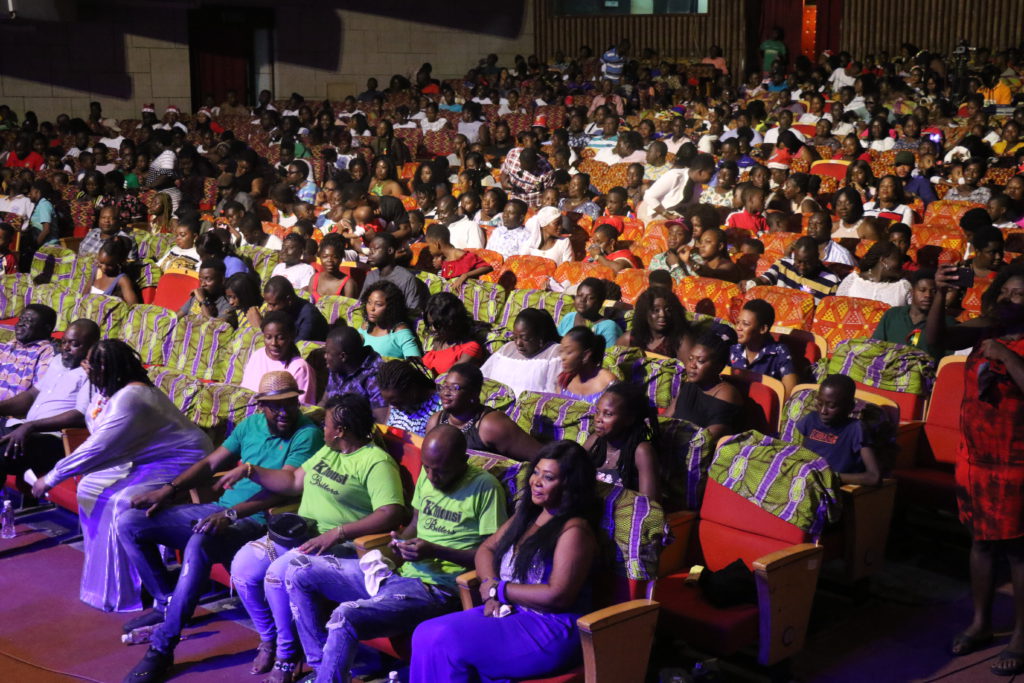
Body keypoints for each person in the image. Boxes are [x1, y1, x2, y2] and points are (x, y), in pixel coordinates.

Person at [119, 372, 323, 683]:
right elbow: (210, 464)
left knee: (199, 542)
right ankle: (167, 603)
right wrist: (169, 490)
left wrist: (231, 513)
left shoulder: (306, 434)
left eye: (290, 403)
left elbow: (285, 489)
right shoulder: (250, 425)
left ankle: (162, 647)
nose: (284, 412)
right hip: (219, 510)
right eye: (275, 406)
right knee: (131, 522)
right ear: (261, 406)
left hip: (258, 520)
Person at [285, 424, 507, 683]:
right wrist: (399, 541)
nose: (432, 476)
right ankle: (321, 668)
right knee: (299, 570)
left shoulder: (485, 488)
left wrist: (435, 551)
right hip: (398, 573)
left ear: (463, 460)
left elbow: (491, 554)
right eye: (427, 467)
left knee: (345, 615)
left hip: (436, 590)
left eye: (440, 470)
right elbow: (415, 523)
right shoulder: (429, 473)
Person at [224, 393, 406, 683]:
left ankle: (287, 654)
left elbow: (391, 512)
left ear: (340, 430)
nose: (323, 428)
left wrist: (339, 532)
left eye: (326, 424)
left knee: (275, 575)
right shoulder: (329, 451)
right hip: (300, 533)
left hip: (336, 547)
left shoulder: (376, 461)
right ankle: (271, 639)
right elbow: (294, 480)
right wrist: (250, 470)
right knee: (243, 567)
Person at [31, 340, 210, 612]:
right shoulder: (109, 391)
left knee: (122, 501)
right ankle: (108, 580)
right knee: (90, 486)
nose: (85, 369)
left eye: (91, 364)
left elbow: (98, 446)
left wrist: (52, 477)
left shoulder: (132, 396)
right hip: (150, 458)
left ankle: (141, 586)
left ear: (108, 368)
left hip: (184, 460)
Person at [410, 440, 598, 682]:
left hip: (548, 626)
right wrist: (490, 588)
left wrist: (499, 590)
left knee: (444, 640)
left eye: (549, 477)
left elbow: (558, 595)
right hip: (511, 610)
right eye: (536, 472)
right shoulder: (528, 515)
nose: (536, 482)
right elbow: (486, 549)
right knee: (425, 632)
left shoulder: (574, 531)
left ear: (570, 485)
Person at [927, 264, 1024, 675]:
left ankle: (1021, 637)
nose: (1010, 300)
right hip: (976, 456)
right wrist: (939, 295)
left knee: (1019, 551)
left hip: (1016, 462)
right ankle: (981, 622)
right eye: (1006, 291)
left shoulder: (1006, 342)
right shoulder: (986, 328)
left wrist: (1006, 355)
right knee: (981, 542)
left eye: (1020, 295)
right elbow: (935, 341)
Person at [0, 319, 98, 491]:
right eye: (64, 342)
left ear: (92, 346)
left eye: (74, 344)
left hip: (54, 439)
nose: (66, 348)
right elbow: (32, 394)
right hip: (23, 427)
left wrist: (31, 426)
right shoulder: (58, 361)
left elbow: (80, 415)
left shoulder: (94, 373)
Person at [426, 363, 541, 462]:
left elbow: (541, 456)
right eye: (444, 386)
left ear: (474, 394)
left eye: (455, 388)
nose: (446, 393)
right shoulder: (435, 421)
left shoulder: (491, 424)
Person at [795, 374, 881, 486]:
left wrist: (831, 477)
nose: (823, 411)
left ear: (850, 407)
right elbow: (796, 454)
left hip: (833, 489)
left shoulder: (855, 429)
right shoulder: (810, 420)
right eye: (820, 404)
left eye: (831, 406)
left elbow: (874, 477)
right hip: (804, 483)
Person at [584, 382, 661, 500]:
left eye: (608, 414)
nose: (598, 419)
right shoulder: (595, 441)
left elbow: (649, 504)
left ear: (629, 419)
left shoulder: (642, 451)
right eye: (597, 412)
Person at [667, 333, 743, 441]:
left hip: (699, 448)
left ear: (718, 367)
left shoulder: (726, 393)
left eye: (700, 361)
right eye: (690, 358)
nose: (692, 365)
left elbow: (708, 438)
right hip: (673, 442)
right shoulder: (689, 385)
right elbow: (666, 417)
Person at [481, 308, 563, 396]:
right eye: (515, 337)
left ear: (540, 336)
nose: (518, 343)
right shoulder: (507, 349)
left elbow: (553, 393)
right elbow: (484, 377)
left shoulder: (554, 354)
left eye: (525, 338)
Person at [240, 312, 316, 405]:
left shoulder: (300, 367)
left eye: (280, 338)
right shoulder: (257, 356)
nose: (274, 343)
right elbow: (244, 393)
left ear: (291, 337)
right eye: (268, 337)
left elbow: (303, 407)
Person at [731, 299, 799, 395]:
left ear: (762, 329)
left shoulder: (780, 353)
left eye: (745, 324)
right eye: (737, 322)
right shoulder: (732, 347)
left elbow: (790, 395)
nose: (738, 327)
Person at [757, 236, 841, 303]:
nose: (802, 267)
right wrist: (752, 283)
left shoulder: (832, 281)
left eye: (807, 262)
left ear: (817, 257)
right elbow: (764, 280)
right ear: (794, 256)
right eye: (798, 261)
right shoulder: (782, 265)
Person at [617, 287, 693, 361]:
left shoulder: (681, 341)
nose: (662, 314)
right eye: (656, 310)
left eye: (668, 309)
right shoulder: (628, 339)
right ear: (644, 312)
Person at [0, 304, 57, 402]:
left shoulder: (47, 353)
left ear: (46, 328)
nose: (20, 324)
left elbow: (37, 394)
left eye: (27, 321)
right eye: (20, 319)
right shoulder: (11, 345)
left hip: (11, 409)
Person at [360, 232, 428, 312]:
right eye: (370, 250)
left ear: (390, 251)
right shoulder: (371, 276)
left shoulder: (405, 279)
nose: (370, 253)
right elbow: (361, 304)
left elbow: (413, 311)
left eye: (375, 249)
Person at [639, 153, 716, 222]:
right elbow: (649, 197)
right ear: (700, 172)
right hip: (653, 214)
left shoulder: (698, 186)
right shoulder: (675, 176)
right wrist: (668, 215)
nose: (711, 177)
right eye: (710, 174)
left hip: (673, 218)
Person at [422, 292, 487, 374]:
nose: (433, 329)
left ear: (451, 323)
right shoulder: (438, 341)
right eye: (430, 324)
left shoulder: (470, 348)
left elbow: (447, 377)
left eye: (437, 325)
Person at [358, 280, 422, 359]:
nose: (371, 308)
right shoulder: (366, 326)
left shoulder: (399, 331)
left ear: (391, 307)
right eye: (369, 302)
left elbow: (416, 363)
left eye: (378, 304)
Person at [837, 241, 913, 307]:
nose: (901, 264)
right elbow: (839, 308)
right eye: (898, 259)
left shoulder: (903, 287)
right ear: (883, 260)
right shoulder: (852, 282)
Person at [378, 360, 442, 436]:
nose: (394, 407)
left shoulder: (440, 406)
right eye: (390, 403)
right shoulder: (396, 403)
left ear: (412, 388)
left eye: (397, 403)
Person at [556, 278, 623, 351]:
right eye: (579, 295)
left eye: (590, 298)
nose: (582, 300)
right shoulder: (569, 317)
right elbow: (556, 345)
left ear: (600, 302)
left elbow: (608, 355)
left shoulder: (608, 327)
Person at [556, 327, 618, 401]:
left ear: (586, 355)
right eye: (561, 351)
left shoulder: (608, 382)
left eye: (569, 352)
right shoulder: (564, 380)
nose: (562, 357)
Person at [425, 224, 493, 289]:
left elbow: (487, 267)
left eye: (429, 246)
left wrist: (466, 275)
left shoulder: (463, 256)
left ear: (436, 244)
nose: (429, 249)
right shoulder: (444, 260)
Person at [263, 276, 329, 342]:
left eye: (273, 305)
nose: (269, 308)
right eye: (268, 304)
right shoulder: (279, 312)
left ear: (288, 300)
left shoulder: (309, 316)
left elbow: (298, 345)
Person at [310, 235, 359, 302]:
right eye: (325, 256)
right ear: (320, 257)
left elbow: (349, 307)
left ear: (341, 258)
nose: (329, 260)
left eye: (335, 257)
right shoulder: (314, 278)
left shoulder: (348, 284)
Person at [90, 238, 140, 304]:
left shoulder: (122, 280)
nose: (104, 268)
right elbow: (84, 296)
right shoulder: (96, 271)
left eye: (109, 265)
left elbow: (134, 306)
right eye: (101, 263)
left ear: (118, 262)